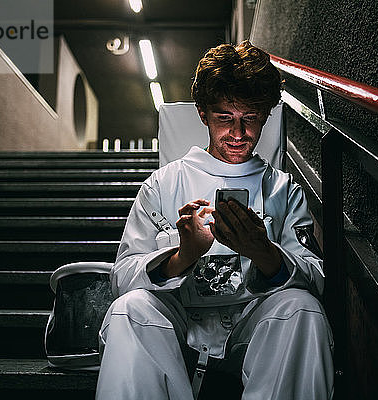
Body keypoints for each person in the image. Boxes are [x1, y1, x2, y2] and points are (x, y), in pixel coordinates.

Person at [95, 40, 334, 400]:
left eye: (250, 119)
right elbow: (122, 278)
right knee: (130, 309)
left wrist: (264, 252)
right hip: (176, 329)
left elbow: (316, 276)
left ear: (266, 116)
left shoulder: (283, 190)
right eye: (225, 118)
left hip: (254, 330)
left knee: (302, 308)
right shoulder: (162, 184)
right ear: (203, 114)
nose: (238, 134)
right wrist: (183, 256)